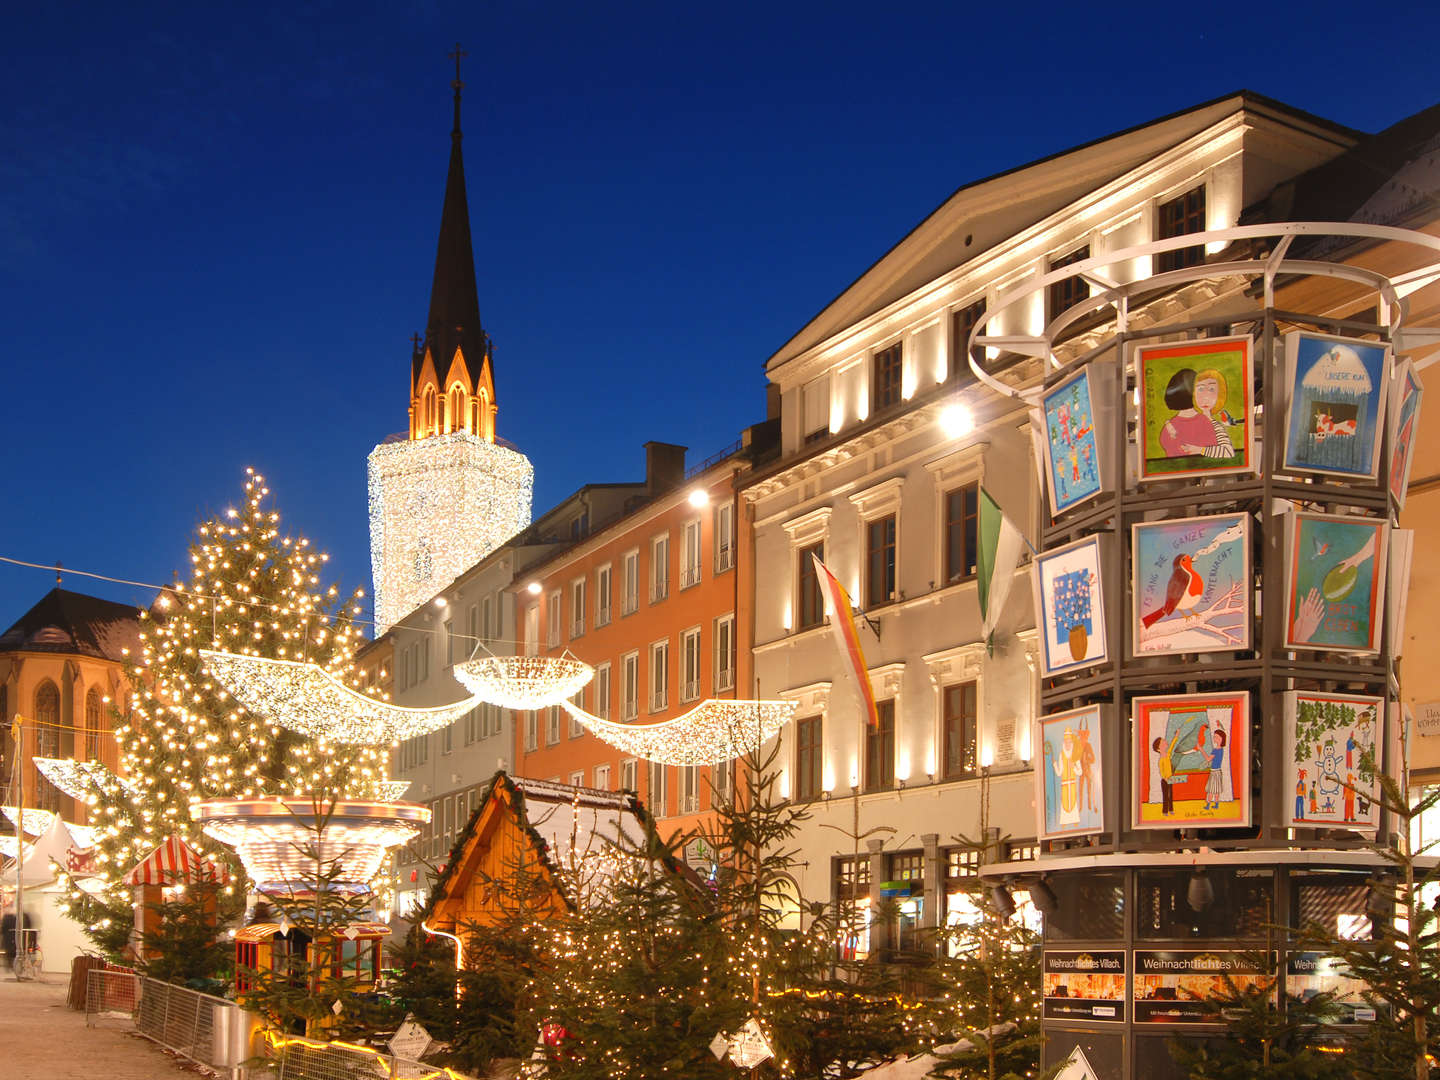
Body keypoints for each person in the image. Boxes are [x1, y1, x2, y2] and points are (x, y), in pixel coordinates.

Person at [1159, 368, 1235, 459]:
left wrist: (1200, 450)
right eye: (1200, 389)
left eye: (1211, 390)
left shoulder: (1168, 427)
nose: (1205, 395)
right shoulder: (1206, 423)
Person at [1205, 729, 1228, 811]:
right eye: (1214, 737)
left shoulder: (1216, 750)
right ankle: (1216, 804)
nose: (1214, 738)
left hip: (1214, 772)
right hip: (1218, 771)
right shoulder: (1221, 749)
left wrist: (1201, 749)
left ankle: (1208, 805)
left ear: (1222, 739)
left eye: (1216, 737)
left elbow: (1208, 759)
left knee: (1211, 790)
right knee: (1216, 790)